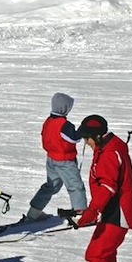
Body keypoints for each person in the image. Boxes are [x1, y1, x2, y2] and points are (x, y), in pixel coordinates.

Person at [73, 115, 132, 262]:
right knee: (104, 253)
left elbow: (107, 187)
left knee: (96, 255)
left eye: (87, 138)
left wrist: (91, 212)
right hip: (112, 211)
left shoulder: (110, 153)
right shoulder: (106, 148)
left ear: (98, 136)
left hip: (117, 212)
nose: (86, 143)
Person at [25, 93, 87, 222]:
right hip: (65, 161)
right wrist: (82, 130)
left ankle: (33, 212)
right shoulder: (64, 124)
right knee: (75, 186)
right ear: (65, 108)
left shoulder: (48, 121)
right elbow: (74, 138)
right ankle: (81, 214)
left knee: (51, 186)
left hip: (51, 159)